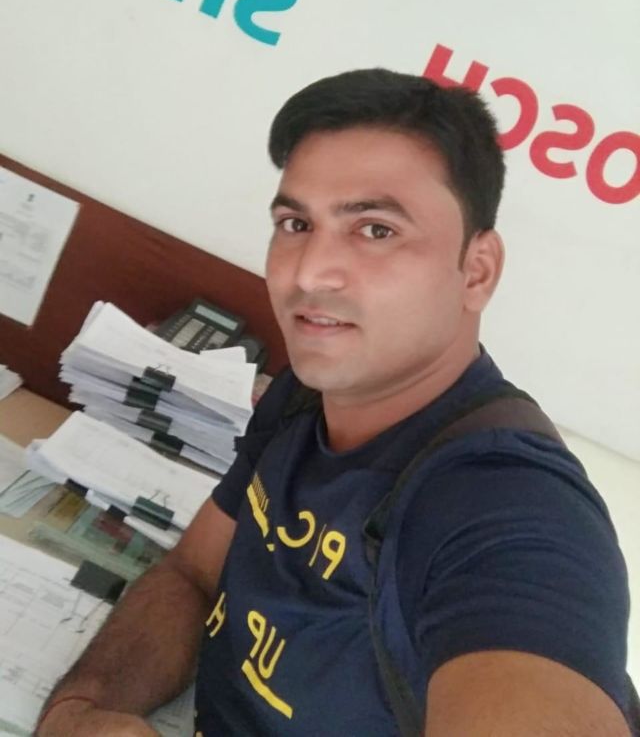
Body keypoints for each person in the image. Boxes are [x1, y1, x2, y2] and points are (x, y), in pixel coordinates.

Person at [37, 70, 634, 736]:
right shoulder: (308, 394)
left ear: (477, 270)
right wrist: (78, 711)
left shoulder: (508, 510)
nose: (309, 271)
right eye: (295, 223)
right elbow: (194, 573)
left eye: (375, 229)